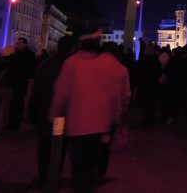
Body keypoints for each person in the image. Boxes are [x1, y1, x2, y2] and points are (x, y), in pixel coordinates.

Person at [50, 21, 131, 193]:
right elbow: (115, 94)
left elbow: (61, 93)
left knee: (79, 168)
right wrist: (115, 118)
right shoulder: (108, 63)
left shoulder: (72, 63)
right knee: (91, 165)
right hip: (100, 123)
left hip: (77, 124)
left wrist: (54, 115)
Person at [29, 35, 76, 186]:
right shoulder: (73, 66)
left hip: (46, 110)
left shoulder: (45, 64)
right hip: (64, 112)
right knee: (60, 146)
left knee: (44, 146)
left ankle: (44, 176)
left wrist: (33, 112)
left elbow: (36, 91)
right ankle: (55, 176)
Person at [9, 36, 36, 131]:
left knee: (18, 102)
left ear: (25, 44)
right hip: (14, 82)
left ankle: (16, 123)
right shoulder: (14, 54)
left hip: (21, 82)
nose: (17, 45)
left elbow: (31, 69)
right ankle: (13, 122)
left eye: (19, 43)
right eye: (17, 43)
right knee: (14, 103)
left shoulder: (29, 55)